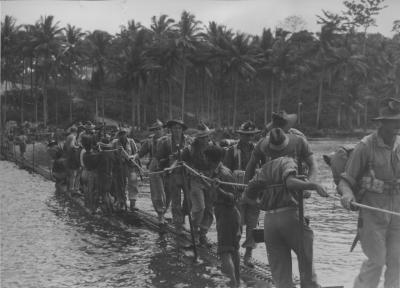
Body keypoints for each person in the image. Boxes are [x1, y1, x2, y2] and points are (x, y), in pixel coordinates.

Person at [244, 127, 328, 288]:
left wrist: (261, 205)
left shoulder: (264, 169)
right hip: (290, 216)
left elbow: (247, 194)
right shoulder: (288, 161)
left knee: (280, 274)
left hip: (270, 220)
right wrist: (312, 185)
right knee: (305, 260)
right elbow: (290, 182)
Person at [338, 98, 400, 288]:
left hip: (397, 215)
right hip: (372, 215)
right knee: (377, 262)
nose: (397, 126)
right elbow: (345, 181)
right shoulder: (365, 146)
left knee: (397, 264)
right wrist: (347, 196)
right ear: (382, 123)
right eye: (393, 122)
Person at [244, 112, 317, 268]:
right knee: (274, 236)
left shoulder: (299, 140)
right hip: (271, 193)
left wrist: (310, 184)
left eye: (278, 125)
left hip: (296, 193)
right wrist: (248, 190)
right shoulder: (265, 141)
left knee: (301, 239)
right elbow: (251, 165)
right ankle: (251, 254)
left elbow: (312, 164)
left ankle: (304, 278)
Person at [223, 120, 260, 267]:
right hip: (237, 193)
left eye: (251, 135)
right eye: (246, 135)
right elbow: (225, 172)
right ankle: (235, 252)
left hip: (254, 192)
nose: (249, 138)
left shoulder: (259, 150)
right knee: (237, 225)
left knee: (253, 225)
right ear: (241, 135)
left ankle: (248, 255)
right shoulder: (231, 151)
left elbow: (264, 167)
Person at [204, 145, 242, 287]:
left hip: (227, 214)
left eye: (206, 158)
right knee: (234, 250)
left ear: (210, 159)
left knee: (225, 252)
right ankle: (237, 284)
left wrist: (218, 189)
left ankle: (232, 285)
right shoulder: (215, 172)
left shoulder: (223, 174)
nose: (204, 160)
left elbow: (233, 197)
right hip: (227, 214)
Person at [156, 119, 192, 233]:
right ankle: (178, 224)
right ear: (170, 129)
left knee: (189, 200)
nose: (177, 130)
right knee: (175, 201)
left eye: (179, 128)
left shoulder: (189, 141)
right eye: (174, 128)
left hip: (187, 174)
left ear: (182, 130)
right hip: (172, 175)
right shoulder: (164, 142)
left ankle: (183, 219)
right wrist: (166, 162)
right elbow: (159, 158)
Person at [182, 123, 215, 246]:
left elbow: (217, 162)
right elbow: (183, 163)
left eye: (206, 136)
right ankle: (194, 231)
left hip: (210, 180)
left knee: (209, 209)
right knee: (200, 207)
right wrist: (192, 171)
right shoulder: (189, 149)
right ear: (198, 138)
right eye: (202, 137)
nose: (205, 139)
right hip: (195, 180)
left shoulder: (212, 147)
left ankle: (203, 234)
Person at [134, 120, 167, 225]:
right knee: (158, 193)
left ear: (163, 129)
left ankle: (175, 217)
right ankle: (161, 215)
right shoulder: (149, 141)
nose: (158, 131)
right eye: (156, 129)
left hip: (169, 169)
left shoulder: (169, 139)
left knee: (169, 193)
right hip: (155, 169)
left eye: (160, 129)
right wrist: (134, 157)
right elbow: (140, 153)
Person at [112, 128, 139, 211]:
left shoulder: (131, 141)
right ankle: (122, 202)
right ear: (118, 135)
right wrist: (117, 155)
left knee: (133, 184)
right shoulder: (115, 143)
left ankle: (132, 204)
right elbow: (112, 155)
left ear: (126, 134)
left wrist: (133, 157)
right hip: (120, 167)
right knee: (121, 185)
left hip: (131, 166)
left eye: (124, 133)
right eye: (120, 134)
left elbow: (137, 153)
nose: (122, 135)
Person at [63, 126, 81, 193]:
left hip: (68, 156)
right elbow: (72, 146)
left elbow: (65, 146)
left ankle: (70, 187)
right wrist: (78, 146)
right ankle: (73, 189)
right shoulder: (73, 136)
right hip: (72, 156)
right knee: (75, 173)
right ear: (75, 132)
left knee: (70, 173)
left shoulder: (68, 137)